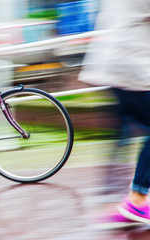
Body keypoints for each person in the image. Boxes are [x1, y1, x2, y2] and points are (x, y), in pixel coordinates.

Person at [79, 0, 150, 223]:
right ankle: (136, 200)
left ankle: (114, 193)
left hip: (112, 68)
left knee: (124, 132)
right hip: (133, 68)